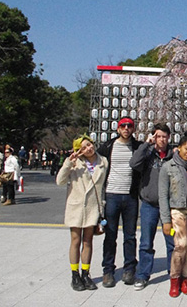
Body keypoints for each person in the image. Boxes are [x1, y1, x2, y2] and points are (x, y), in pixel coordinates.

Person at [56, 135, 108, 291]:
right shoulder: (74, 164)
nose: (89, 148)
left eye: (89, 144)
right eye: (84, 147)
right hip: (76, 206)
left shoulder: (103, 161)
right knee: (75, 240)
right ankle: (75, 274)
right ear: (79, 151)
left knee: (88, 241)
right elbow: (60, 181)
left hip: (93, 207)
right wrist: (68, 162)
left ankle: (86, 273)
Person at [159, 131, 187, 297]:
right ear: (178, 148)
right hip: (177, 208)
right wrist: (165, 220)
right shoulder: (168, 166)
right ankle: (174, 279)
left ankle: (185, 279)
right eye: (186, 149)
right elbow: (162, 195)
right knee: (181, 245)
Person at [97, 116, 142, 287]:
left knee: (130, 236)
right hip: (112, 195)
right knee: (110, 234)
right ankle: (108, 270)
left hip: (130, 196)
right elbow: (94, 161)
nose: (126, 129)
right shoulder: (108, 146)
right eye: (123, 126)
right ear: (117, 129)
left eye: (129, 126)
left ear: (133, 129)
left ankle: (129, 268)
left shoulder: (137, 147)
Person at [129, 123, 175, 290]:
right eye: (158, 136)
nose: (161, 139)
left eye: (164, 136)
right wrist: (146, 144)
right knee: (146, 242)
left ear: (169, 137)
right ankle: (142, 275)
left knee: (172, 242)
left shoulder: (173, 155)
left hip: (169, 207)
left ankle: (173, 273)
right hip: (149, 205)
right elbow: (133, 163)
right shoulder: (147, 153)